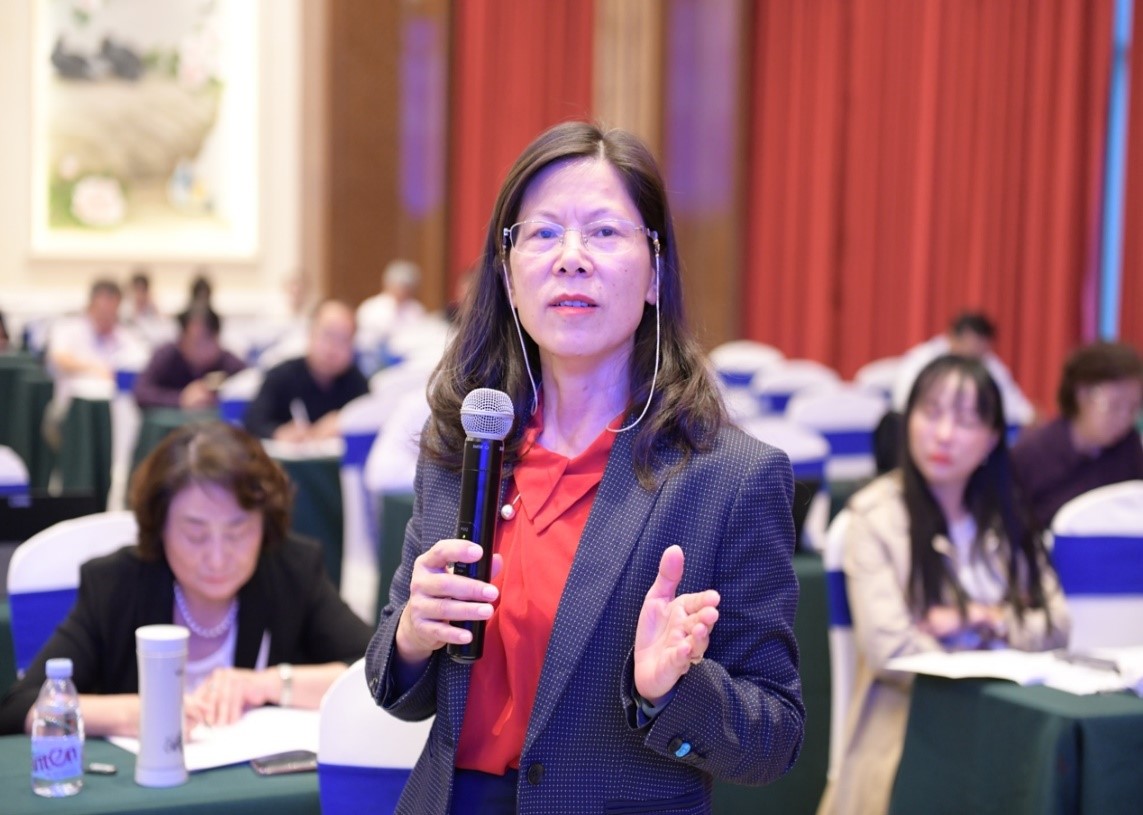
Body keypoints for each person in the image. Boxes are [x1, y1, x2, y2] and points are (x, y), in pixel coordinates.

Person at [365, 122, 804, 814]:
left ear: (654, 272)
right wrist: (413, 635)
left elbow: (774, 738)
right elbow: (397, 687)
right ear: (508, 275)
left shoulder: (730, 478)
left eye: (603, 232)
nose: (571, 258)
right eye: (542, 234)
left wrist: (671, 690)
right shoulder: (462, 447)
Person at [0, 421, 373, 737]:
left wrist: (267, 683)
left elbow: (374, 670)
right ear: (159, 526)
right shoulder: (114, 585)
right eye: (195, 534)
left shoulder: (292, 569)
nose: (217, 557)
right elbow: (21, 706)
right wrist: (135, 713)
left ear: (265, 523)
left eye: (238, 532)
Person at [817, 355, 1068, 815]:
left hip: (1007, 726)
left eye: (966, 421)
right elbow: (892, 651)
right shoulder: (875, 516)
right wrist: (1002, 643)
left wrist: (981, 619)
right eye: (931, 414)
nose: (944, 435)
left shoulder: (1006, 514)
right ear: (908, 419)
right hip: (909, 732)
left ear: (992, 438)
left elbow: (1056, 627)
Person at [1010, 341, 1143, 529]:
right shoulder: (1030, 454)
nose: (1124, 419)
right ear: (1082, 395)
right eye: (1115, 406)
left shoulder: (1129, 446)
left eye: (1133, 408)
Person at [243, 299, 369, 442]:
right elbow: (252, 422)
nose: (333, 348)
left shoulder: (358, 383)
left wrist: (345, 423)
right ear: (310, 334)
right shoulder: (280, 377)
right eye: (328, 335)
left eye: (344, 340)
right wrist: (279, 433)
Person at [43, 279, 146, 448]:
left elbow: (141, 362)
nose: (106, 316)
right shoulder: (69, 328)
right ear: (90, 305)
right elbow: (60, 359)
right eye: (102, 310)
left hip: (116, 411)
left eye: (112, 310)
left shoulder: (125, 336)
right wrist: (95, 369)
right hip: (70, 410)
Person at [133, 305, 246, 410]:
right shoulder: (167, 357)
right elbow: (141, 392)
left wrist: (214, 399)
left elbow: (249, 385)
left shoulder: (227, 362)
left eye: (206, 340)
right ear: (182, 338)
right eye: (195, 342)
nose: (201, 349)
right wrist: (181, 398)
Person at [356, 258, 428, 361]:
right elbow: (364, 343)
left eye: (408, 287)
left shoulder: (416, 310)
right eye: (400, 285)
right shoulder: (371, 309)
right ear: (388, 284)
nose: (403, 291)